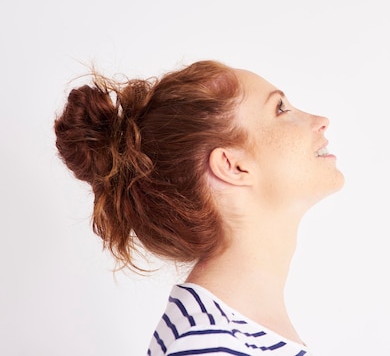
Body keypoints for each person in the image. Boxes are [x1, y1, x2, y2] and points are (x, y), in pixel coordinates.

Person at [54, 60, 344, 355]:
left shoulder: (222, 335)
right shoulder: (209, 344)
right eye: (281, 109)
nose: (321, 120)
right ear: (233, 166)